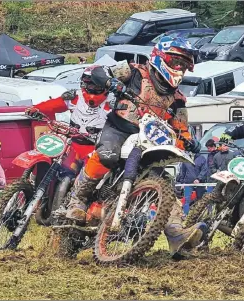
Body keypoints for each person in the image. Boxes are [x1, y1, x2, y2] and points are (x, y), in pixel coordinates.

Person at [64, 36, 204, 258]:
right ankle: (77, 200)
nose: (180, 69)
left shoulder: (178, 98)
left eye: (185, 66)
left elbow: (181, 124)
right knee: (107, 156)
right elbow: (98, 71)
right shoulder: (134, 71)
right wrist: (110, 82)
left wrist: (189, 139)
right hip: (119, 128)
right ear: (161, 57)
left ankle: (176, 232)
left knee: (164, 181)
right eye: (177, 62)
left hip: (149, 141)